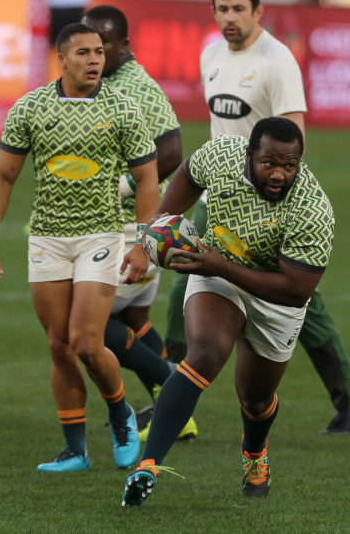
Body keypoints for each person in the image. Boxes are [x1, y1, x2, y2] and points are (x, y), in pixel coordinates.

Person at [164, 0, 350, 435]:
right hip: (221, 192)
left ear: (257, 12)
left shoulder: (278, 62)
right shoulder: (211, 55)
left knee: (301, 300)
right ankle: (172, 395)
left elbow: (294, 138)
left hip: (268, 201)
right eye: (222, 8)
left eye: (238, 9)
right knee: (184, 280)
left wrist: (277, 196)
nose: (229, 18)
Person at [121, 117, 334, 507]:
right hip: (215, 269)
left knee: (255, 399)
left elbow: (295, 289)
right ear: (250, 154)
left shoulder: (312, 209)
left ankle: (254, 452)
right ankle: (148, 465)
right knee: (204, 352)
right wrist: (157, 226)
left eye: (290, 166)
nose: (279, 174)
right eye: (269, 163)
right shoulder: (222, 155)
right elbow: (187, 174)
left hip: (273, 296)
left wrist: (221, 267)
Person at [0, 22, 160, 472]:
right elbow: (4, 175)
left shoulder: (123, 109)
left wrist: (142, 245)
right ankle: (75, 451)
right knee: (58, 345)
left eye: (99, 51)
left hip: (101, 235)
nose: (95, 59)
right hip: (47, 238)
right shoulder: (31, 107)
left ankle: (119, 412)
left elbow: (147, 180)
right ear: (62, 58)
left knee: (85, 341)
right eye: (83, 53)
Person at [80, 5, 197, 442]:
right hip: (130, 225)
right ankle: (178, 412)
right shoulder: (109, 82)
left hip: (134, 227)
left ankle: (175, 391)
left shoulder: (136, 88)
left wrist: (118, 190)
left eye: (102, 43)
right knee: (131, 320)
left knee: (88, 326)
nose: (94, 51)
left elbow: (170, 153)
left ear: (123, 45)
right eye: (86, 44)